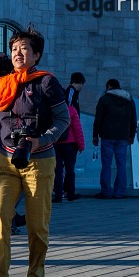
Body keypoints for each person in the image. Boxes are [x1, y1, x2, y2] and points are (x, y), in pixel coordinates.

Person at [0, 28, 69, 277]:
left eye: (25, 48)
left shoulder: (46, 83)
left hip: (39, 161)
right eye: (15, 48)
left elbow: (63, 120)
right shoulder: (2, 83)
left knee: (37, 223)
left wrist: (40, 140)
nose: (18, 53)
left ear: (36, 54)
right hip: (5, 160)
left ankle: (35, 275)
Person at [92, 79, 136, 198]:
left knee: (106, 164)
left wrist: (95, 135)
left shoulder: (104, 99)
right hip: (123, 136)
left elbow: (98, 119)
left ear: (109, 86)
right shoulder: (129, 100)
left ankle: (106, 191)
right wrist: (131, 135)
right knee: (121, 164)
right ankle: (120, 192)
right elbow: (133, 120)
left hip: (107, 136)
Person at [54, 71, 86, 201]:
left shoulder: (55, 110)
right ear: (80, 82)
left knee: (59, 169)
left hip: (58, 141)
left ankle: (59, 193)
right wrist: (81, 145)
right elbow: (76, 125)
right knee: (69, 168)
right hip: (69, 140)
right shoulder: (71, 93)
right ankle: (69, 192)